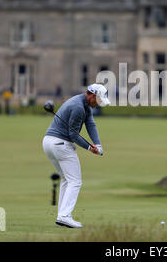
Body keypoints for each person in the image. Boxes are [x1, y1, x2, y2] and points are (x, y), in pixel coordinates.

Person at [42, 83, 110, 228]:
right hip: (60, 144)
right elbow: (72, 134)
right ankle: (65, 216)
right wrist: (88, 147)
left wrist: (97, 144)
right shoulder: (79, 107)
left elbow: (90, 124)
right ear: (92, 95)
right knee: (75, 181)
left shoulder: (84, 104)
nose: (98, 104)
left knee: (67, 180)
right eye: (98, 101)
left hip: (49, 142)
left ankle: (62, 216)